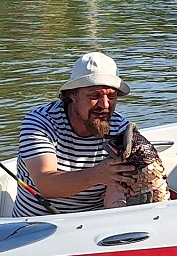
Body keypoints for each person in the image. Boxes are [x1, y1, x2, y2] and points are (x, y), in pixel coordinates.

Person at [12, 52, 143, 217]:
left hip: (92, 226)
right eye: (94, 96)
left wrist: (120, 211)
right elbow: (46, 185)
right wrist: (97, 175)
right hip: (34, 225)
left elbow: (115, 193)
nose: (104, 105)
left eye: (111, 96)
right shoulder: (40, 122)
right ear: (72, 95)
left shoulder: (122, 129)